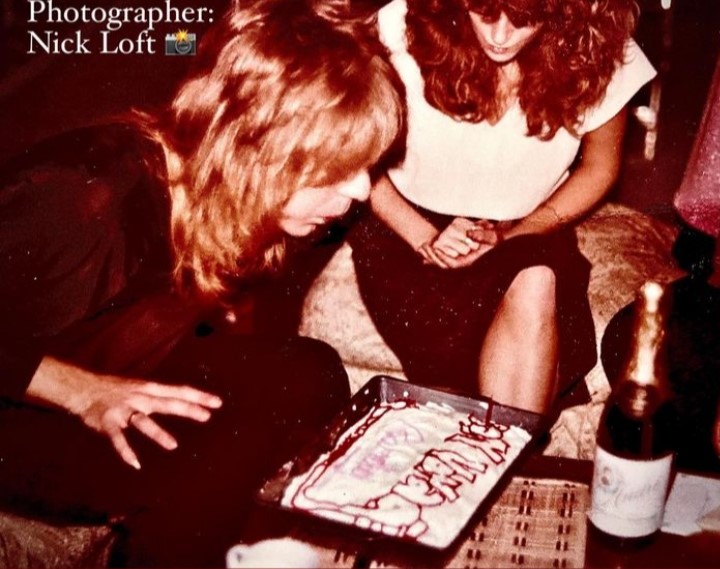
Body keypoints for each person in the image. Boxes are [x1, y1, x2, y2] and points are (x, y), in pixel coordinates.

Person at [0, 0, 405, 566]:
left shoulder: (219, 191)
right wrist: (81, 392)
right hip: (24, 410)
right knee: (210, 464)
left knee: (309, 373)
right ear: (257, 146)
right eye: (338, 166)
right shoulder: (80, 199)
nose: (361, 190)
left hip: (110, 361)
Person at [349, 0, 656, 415]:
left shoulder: (599, 45)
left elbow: (600, 167)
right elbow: (350, 152)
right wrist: (424, 236)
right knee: (450, 376)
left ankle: (502, 444)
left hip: (529, 228)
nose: (499, 36)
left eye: (524, 20)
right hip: (407, 229)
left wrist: (514, 234)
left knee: (536, 279)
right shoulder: (397, 26)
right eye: (485, 13)